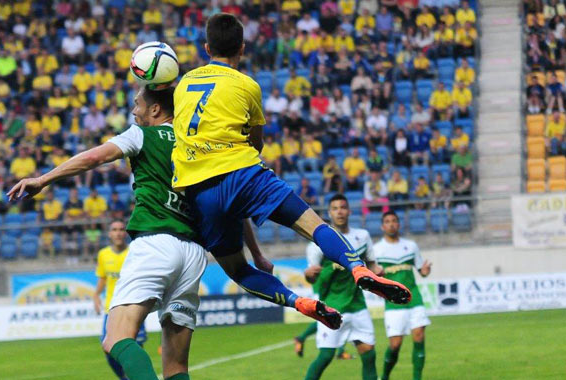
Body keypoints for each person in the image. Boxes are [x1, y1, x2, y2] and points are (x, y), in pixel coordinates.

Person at [171, 14, 411, 330]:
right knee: (315, 226)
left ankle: (298, 302)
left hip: (200, 189)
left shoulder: (183, 84)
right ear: (242, 49)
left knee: (238, 270)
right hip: (244, 173)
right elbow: (255, 145)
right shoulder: (247, 85)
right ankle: (357, 267)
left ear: (205, 48)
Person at [10, 88, 234, 380]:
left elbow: (94, 158)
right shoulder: (196, 144)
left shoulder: (141, 135)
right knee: (176, 367)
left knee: (115, 337)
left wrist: (44, 179)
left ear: (155, 110)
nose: (133, 111)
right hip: (194, 252)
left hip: (156, 241)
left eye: (137, 104)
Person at [303, 194, 382, 380]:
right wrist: (308, 275)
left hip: (357, 305)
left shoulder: (362, 237)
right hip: (331, 306)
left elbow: (371, 264)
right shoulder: (317, 243)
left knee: (368, 354)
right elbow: (312, 278)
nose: (340, 211)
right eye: (335, 208)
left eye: (343, 207)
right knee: (325, 357)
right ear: (330, 213)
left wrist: (377, 271)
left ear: (349, 211)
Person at [373, 211, 432, 380]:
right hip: (393, 303)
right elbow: (373, 275)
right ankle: (384, 376)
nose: (391, 224)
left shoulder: (411, 246)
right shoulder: (377, 250)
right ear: (382, 226)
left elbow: (422, 270)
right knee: (395, 344)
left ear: (398, 224)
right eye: (387, 221)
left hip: (414, 299)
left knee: (419, 336)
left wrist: (426, 271)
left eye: (394, 221)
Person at [93, 220, 147, 380]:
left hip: (133, 306)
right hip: (111, 308)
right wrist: (96, 295)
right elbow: (103, 278)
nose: (118, 232)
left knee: (135, 347)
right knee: (107, 347)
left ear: (126, 233)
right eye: (114, 229)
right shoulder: (103, 254)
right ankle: (125, 378)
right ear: (109, 234)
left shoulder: (135, 252)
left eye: (121, 229)